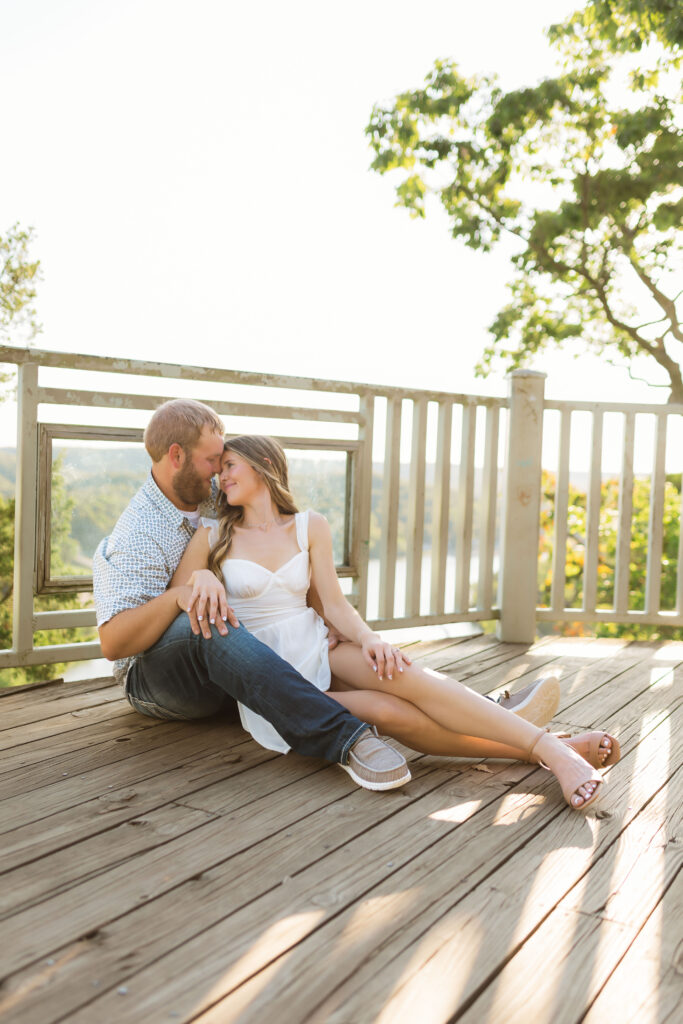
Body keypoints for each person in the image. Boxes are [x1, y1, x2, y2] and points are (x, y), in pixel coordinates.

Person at [172, 434, 622, 811]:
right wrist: (203, 574)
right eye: (220, 471)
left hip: (318, 642)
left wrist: (371, 640)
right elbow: (179, 596)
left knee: (404, 672)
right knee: (389, 712)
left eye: (230, 465)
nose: (221, 478)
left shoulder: (310, 526)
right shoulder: (213, 535)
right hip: (272, 676)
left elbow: (332, 601)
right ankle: (549, 747)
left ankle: (548, 750)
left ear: (264, 464)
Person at [93, 398, 415, 791]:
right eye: (213, 459)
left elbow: (280, 567)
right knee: (205, 618)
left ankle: (473, 710)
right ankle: (347, 740)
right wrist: (186, 590)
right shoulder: (139, 532)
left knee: (342, 660)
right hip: (158, 682)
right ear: (176, 455)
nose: (220, 470)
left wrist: (332, 624)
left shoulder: (217, 496)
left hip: (234, 662)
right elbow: (114, 642)